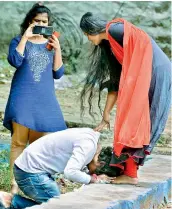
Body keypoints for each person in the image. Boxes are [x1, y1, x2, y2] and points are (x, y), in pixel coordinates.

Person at [79, 12, 171, 185]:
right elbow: (115, 84)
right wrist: (106, 114)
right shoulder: (112, 46)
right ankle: (129, 172)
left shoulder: (114, 29)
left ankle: (130, 174)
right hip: (149, 72)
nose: (87, 39)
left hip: (155, 71)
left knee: (135, 122)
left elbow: (142, 40)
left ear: (91, 29)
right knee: (133, 123)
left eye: (86, 34)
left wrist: (132, 84)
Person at [3, 3, 67, 194]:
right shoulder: (18, 40)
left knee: (45, 144)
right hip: (22, 97)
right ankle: (15, 184)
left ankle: (39, 184)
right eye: (36, 21)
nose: (40, 24)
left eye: (44, 21)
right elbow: (15, 60)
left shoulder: (51, 43)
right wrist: (25, 37)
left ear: (49, 24)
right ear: (29, 22)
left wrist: (58, 49)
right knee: (18, 143)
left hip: (45, 99)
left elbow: (58, 73)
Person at [0, 128, 113, 209]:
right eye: (96, 172)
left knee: (58, 204)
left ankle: (11, 201)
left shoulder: (92, 141)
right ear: (100, 163)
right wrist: (94, 179)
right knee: (58, 207)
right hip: (29, 172)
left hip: (31, 168)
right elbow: (70, 172)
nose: (92, 173)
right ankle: (11, 202)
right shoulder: (87, 147)